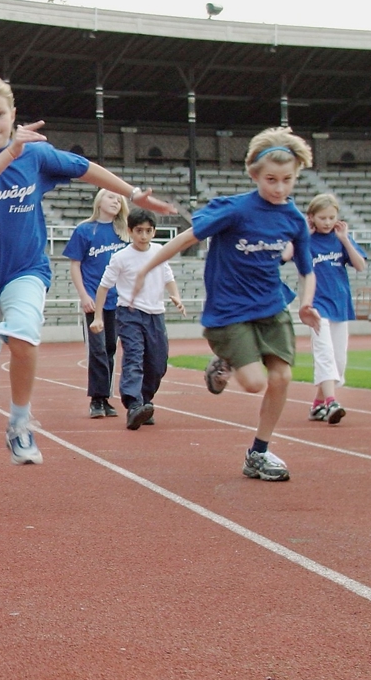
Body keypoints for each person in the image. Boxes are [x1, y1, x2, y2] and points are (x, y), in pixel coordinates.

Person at [0, 73, 174, 492]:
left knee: (23, 336)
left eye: (0, 114)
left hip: (26, 269)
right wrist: (10, 152)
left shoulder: (36, 157)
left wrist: (134, 194)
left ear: (14, 115)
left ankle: (20, 421)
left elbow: (84, 168)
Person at [133, 127, 320, 482]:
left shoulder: (294, 218)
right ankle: (226, 359)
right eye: (271, 179)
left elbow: (307, 270)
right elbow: (187, 237)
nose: (279, 188)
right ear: (253, 174)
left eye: (287, 180)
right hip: (230, 309)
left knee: (281, 376)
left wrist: (307, 304)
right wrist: (147, 269)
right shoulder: (234, 210)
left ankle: (258, 453)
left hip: (271, 305)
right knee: (253, 383)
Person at [90, 208, 185, 430]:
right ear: (130, 231)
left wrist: (176, 296)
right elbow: (104, 287)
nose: (143, 236)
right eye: (139, 231)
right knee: (134, 357)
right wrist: (97, 317)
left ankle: (145, 401)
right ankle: (133, 405)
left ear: (154, 232)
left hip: (156, 314)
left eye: (148, 231)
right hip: (130, 314)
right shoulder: (120, 257)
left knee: (157, 363)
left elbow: (168, 278)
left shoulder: (160, 252)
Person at [303, 193, 367, 424]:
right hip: (316, 305)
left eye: (331, 217)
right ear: (311, 217)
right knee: (324, 354)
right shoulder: (306, 240)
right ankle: (331, 401)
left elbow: (360, 265)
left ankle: (317, 405)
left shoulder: (340, 239)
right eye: (322, 217)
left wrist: (346, 240)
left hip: (340, 303)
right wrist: (303, 236)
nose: (327, 222)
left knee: (339, 361)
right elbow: (285, 256)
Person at [66, 188, 129, 419]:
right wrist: (83, 295)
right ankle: (96, 398)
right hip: (94, 300)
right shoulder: (85, 230)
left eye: (119, 199)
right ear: (99, 200)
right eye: (111, 196)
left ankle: (105, 398)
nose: (116, 201)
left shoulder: (124, 233)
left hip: (118, 301)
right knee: (98, 348)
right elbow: (75, 265)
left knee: (111, 348)